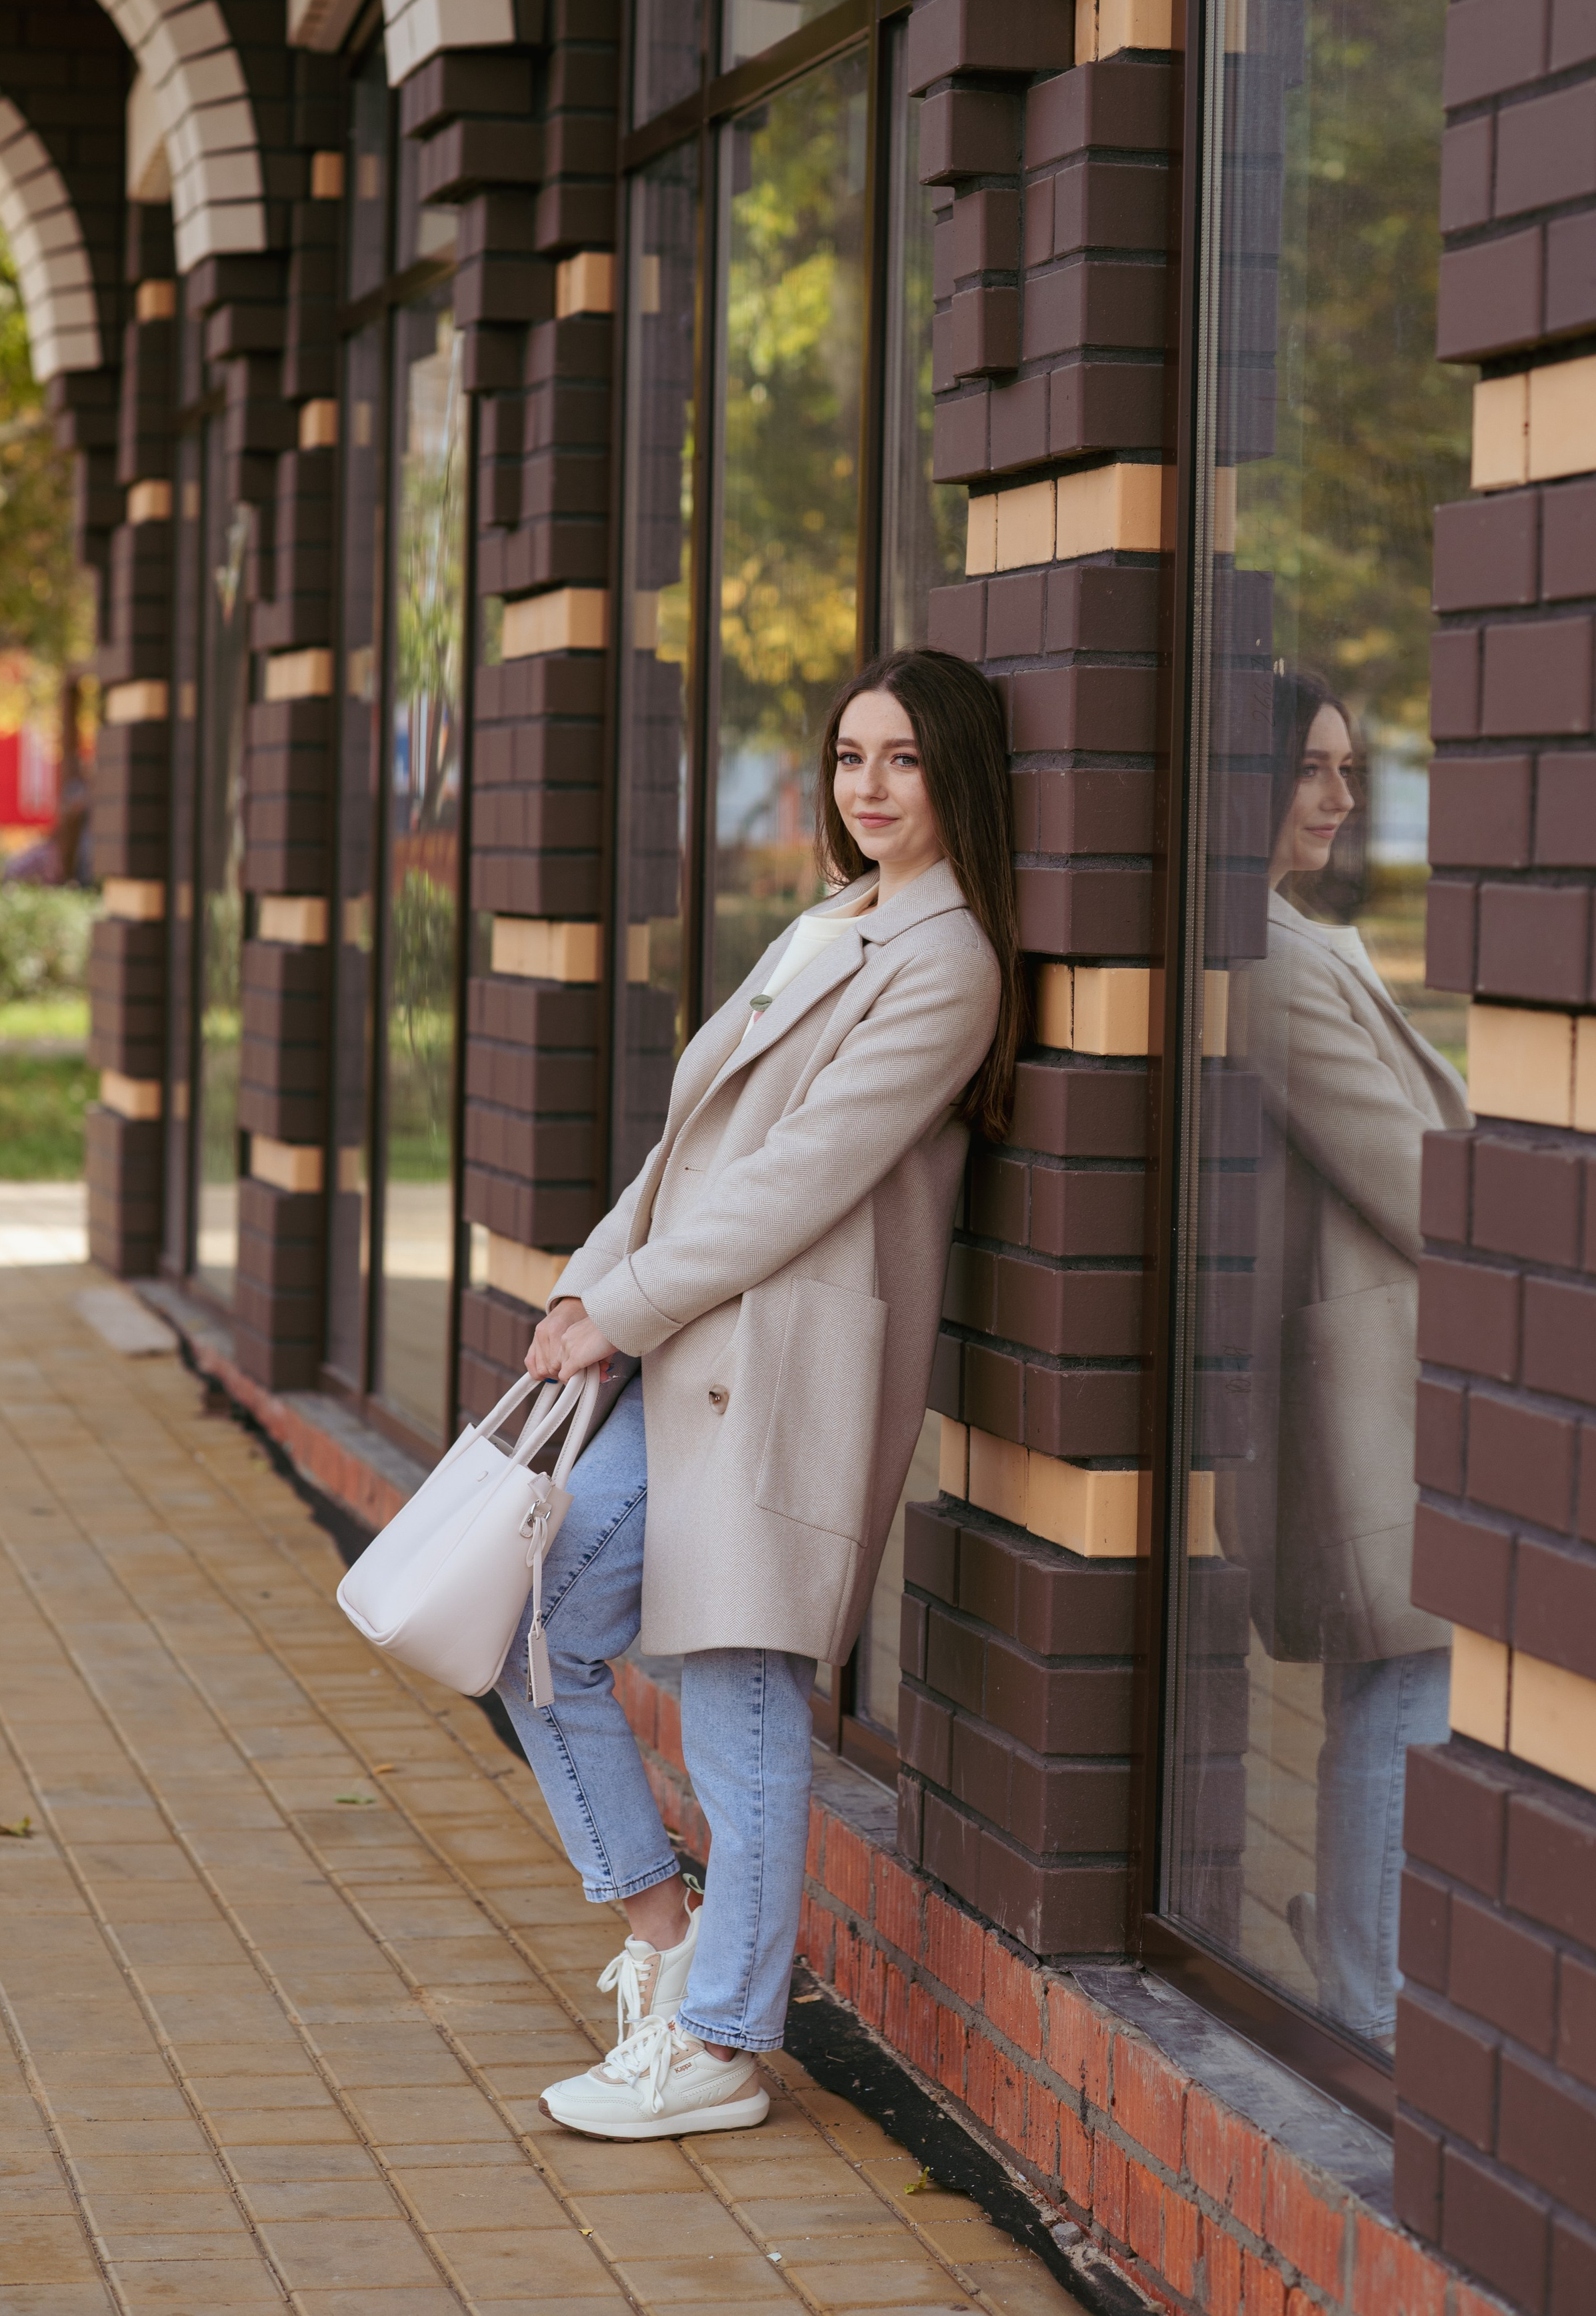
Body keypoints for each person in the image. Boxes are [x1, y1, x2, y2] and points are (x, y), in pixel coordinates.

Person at [496, 646, 1019, 2139]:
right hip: (681, 1349)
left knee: (739, 1685)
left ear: (955, 776)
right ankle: (664, 1943)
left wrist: (623, 1308)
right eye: (849, 757)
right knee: (535, 1619)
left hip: (777, 1371)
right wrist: (581, 1290)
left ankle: (719, 2044)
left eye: (902, 760)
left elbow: (801, 1179)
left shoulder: (947, 960)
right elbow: (688, 1154)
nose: (866, 787)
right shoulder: (827, 923)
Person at [1223, 666, 1470, 2044]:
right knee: (1399, 1682)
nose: (1337, 795)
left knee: (1392, 1681)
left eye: (1347, 767)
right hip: (1358, 1388)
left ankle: (1358, 1952)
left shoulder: (1288, 937)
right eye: (1311, 767)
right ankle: (1366, 1990)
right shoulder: (1273, 956)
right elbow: (1418, 1184)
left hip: (1362, 1376)